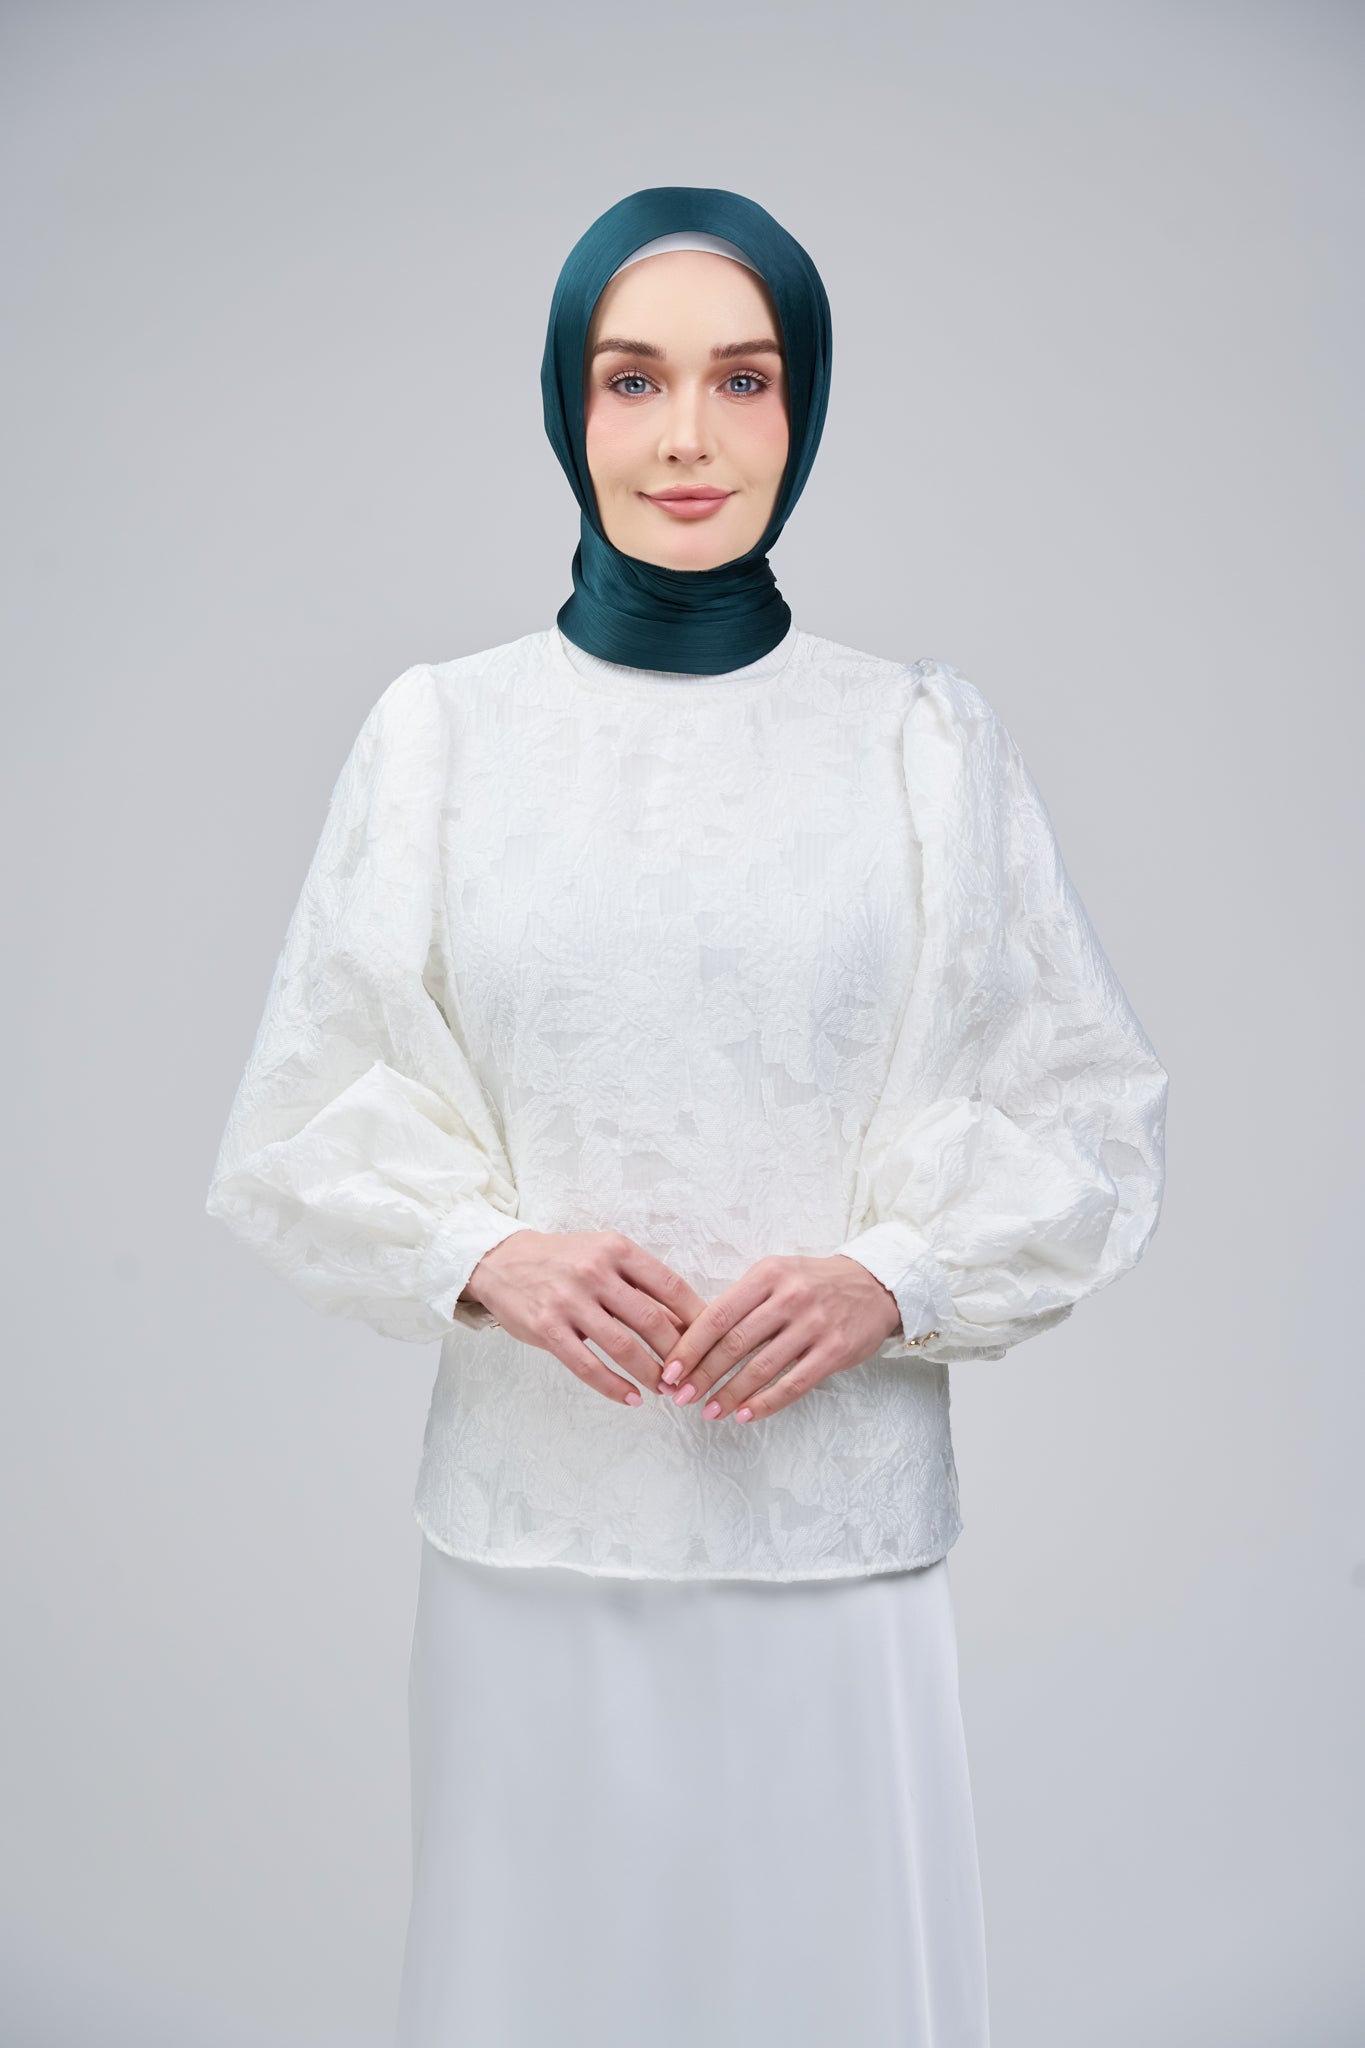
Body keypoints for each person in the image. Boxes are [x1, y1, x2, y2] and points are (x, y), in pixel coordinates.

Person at [205, 186, 1168, 2048]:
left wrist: (894, 1277)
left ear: (805, 409)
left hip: (835, 1535)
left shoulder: (918, 743)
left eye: (744, 378)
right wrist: (480, 1250)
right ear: (564, 408)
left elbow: (1083, 1111)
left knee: (833, 1986)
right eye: (631, 379)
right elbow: (306, 1104)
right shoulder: (444, 737)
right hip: (536, 1528)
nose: (685, 439)